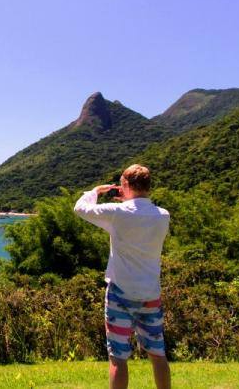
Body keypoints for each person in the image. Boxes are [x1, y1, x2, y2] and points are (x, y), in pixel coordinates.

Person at [73, 164, 171, 389]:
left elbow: (80, 209)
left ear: (125, 185)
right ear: (148, 186)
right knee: (157, 354)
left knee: (118, 358)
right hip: (150, 295)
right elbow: (139, 217)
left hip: (120, 293)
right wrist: (129, 203)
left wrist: (95, 192)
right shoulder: (163, 216)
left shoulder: (117, 214)